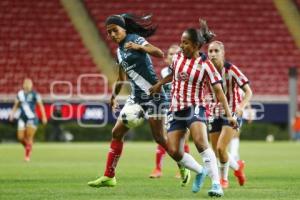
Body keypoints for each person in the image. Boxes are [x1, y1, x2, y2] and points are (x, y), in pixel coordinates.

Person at [87, 14, 189, 188]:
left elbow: (159, 53)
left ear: (124, 29)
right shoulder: (119, 51)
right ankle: (109, 176)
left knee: (160, 138)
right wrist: (113, 97)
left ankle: (183, 165)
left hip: (154, 96)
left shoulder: (135, 39)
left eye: (115, 30)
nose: (112, 35)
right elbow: (121, 78)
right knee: (116, 133)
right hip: (136, 97)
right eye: (109, 32)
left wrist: (139, 47)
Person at [150, 19, 237, 197]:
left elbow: (219, 92)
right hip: (176, 108)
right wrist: (159, 84)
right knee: (173, 151)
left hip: (195, 106)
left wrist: (230, 116)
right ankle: (200, 171)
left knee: (200, 142)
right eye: (181, 42)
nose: (181, 46)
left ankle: (216, 184)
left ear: (196, 45)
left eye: (185, 43)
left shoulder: (206, 65)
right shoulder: (177, 58)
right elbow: (173, 75)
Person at [206, 41, 253, 189]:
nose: (213, 54)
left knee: (221, 148)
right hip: (215, 112)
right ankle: (238, 168)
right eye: (210, 51)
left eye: (216, 51)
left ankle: (223, 180)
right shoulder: (206, 70)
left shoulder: (231, 70)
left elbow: (249, 91)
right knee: (216, 152)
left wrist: (241, 106)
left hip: (232, 112)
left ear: (222, 53)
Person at [149, 44, 191, 179]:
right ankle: (157, 169)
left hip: (186, 108)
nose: (174, 56)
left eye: (176, 54)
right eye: (171, 54)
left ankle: (183, 169)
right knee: (163, 138)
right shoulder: (164, 72)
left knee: (183, 141)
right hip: (169, 109)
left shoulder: (187, 71)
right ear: (167, 59)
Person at [9, 78, 47, 161]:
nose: (27, 85)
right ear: (23, 84)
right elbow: (16, 105)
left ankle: (27, 156)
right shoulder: (20, 94)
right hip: (22, 118)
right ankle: (28, 147)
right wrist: (12, 114)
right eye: (26, 83)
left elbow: (41, 106)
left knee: (29, 137)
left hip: (32, 118)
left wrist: (44, 116)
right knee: (20, 137)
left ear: (31, 85)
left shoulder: (35, 94)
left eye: (29, 84)